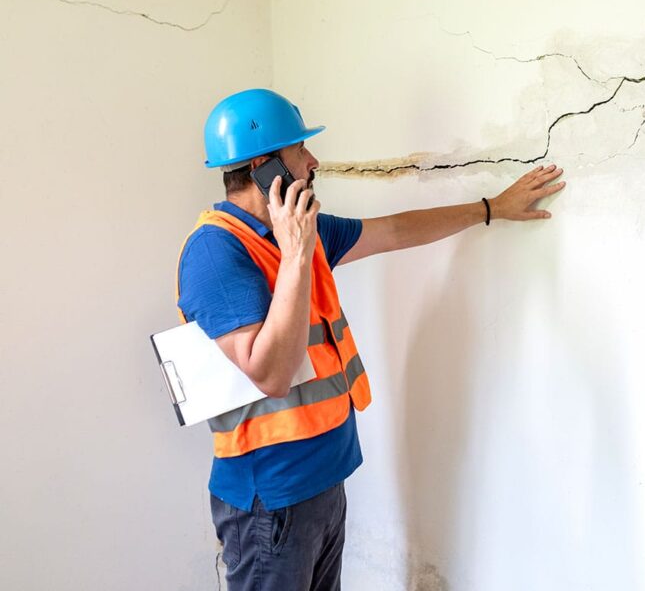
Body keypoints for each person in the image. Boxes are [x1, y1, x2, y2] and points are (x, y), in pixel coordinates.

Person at [176, 88, 565, 590]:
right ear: (263, 169)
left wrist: (491, 207)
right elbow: (270, 373)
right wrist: (295, 255)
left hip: (323, 482)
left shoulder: (299, 234)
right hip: (268, 504)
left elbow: (398, 231)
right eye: (300, 151)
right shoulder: (216, 252)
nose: (313, 161)